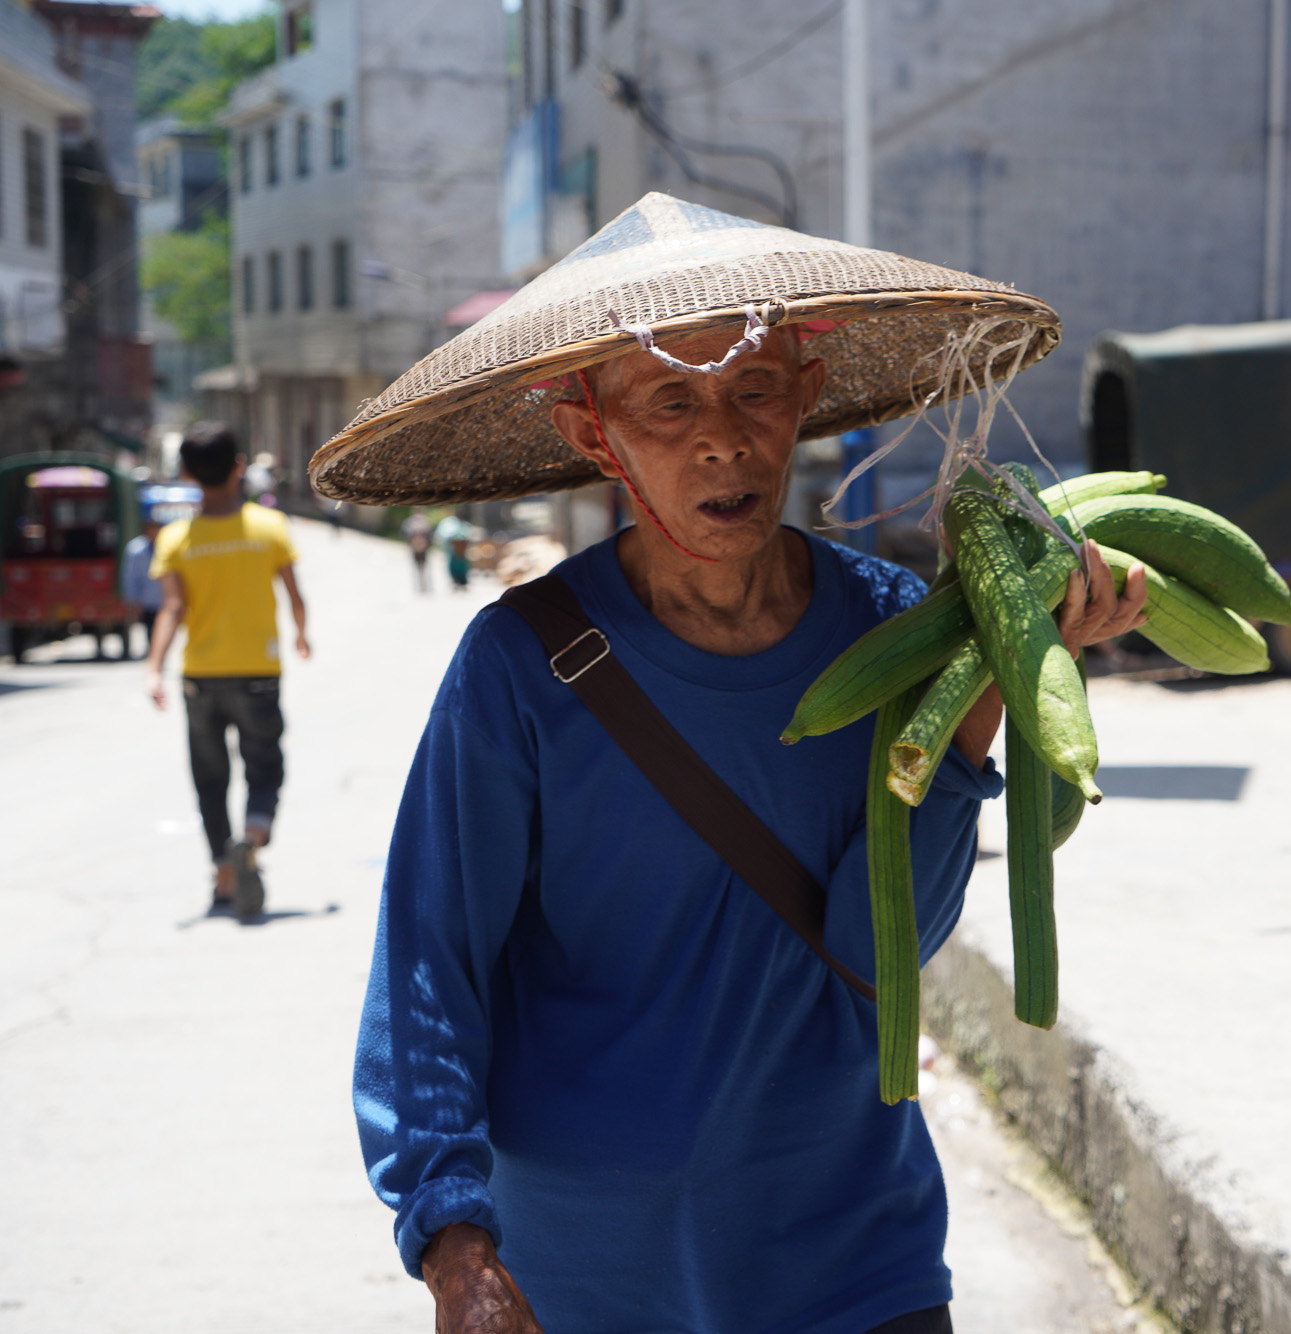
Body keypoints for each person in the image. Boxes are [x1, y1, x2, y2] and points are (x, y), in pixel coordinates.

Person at [336, 193, 1141, 1333]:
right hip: (588, 1277)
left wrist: (993, 691)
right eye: (670, 400)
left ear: (804, 398)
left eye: (753, 388)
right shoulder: (521, 666)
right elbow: (430, 963)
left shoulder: (892, 627)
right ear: (590, 434)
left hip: (854, 1256)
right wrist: (452, 1240)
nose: (723, 436)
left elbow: (878, 949)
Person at [145, 422, 311, 919]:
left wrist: (154, 668)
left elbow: (171, 609)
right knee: (264, 768)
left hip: (200, 675)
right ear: (240, 467)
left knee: (210, 777)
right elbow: (294, 595)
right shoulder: (269, 527)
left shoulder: (176, 538)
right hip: (259, 671)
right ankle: (253, 838)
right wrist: (302, 634)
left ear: (185, 473)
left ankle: (222, 876)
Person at [119, 509, 165, 658]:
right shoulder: (136, 549)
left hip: (165, 598)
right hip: (147, 599)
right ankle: (153, 653)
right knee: (150, 628)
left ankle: (160, 653)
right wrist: (132, 599)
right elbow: (130, 576)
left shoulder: (167, 546)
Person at [401, 509, 434, 593]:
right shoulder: (423, 521)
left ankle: (423, 586)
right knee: (421, 567)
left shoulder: (423, 521)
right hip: (419, 547)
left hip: (419, 547)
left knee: (420, 567)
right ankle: (422, 586)